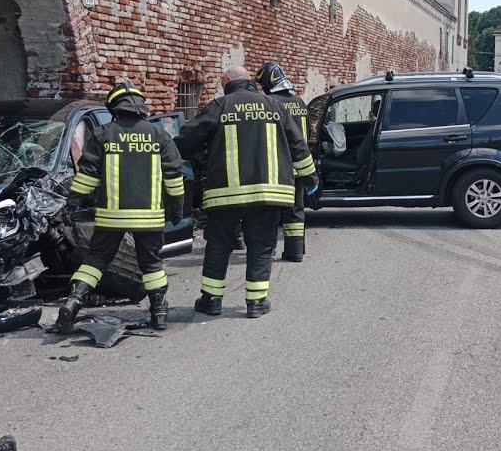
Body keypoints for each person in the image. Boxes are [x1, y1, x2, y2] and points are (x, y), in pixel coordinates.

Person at [176, 66, 317, 318]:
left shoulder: (220, 105)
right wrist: (310, 178)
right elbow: (299, 146)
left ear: (229, 81)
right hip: (268, 193)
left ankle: (211, 300)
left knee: (219, 245)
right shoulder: (275, 106)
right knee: (261, 245)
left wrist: (172, 156)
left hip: (225, 193)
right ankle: (256, 303)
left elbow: (188, 140)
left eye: (222, 82)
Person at [56, 82, 185, 333]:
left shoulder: (103, 133)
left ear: (114, 107)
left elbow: (88, 176)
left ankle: (73, 302)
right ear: (141, 106)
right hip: (149, 218)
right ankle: (158, 311)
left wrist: (73, 203)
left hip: (110, 218)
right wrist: (177, 206)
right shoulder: (159, 135)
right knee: (151, 264)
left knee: (96, 260)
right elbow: (174, 175)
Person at [256, 61, 310, 262]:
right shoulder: (300, 102)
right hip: (300, 166)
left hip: (277, 167)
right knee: (296, 211)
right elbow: (308, 134)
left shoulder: (271, 103)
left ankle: (267, 250)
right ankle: (295, 251)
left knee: (270, 212)